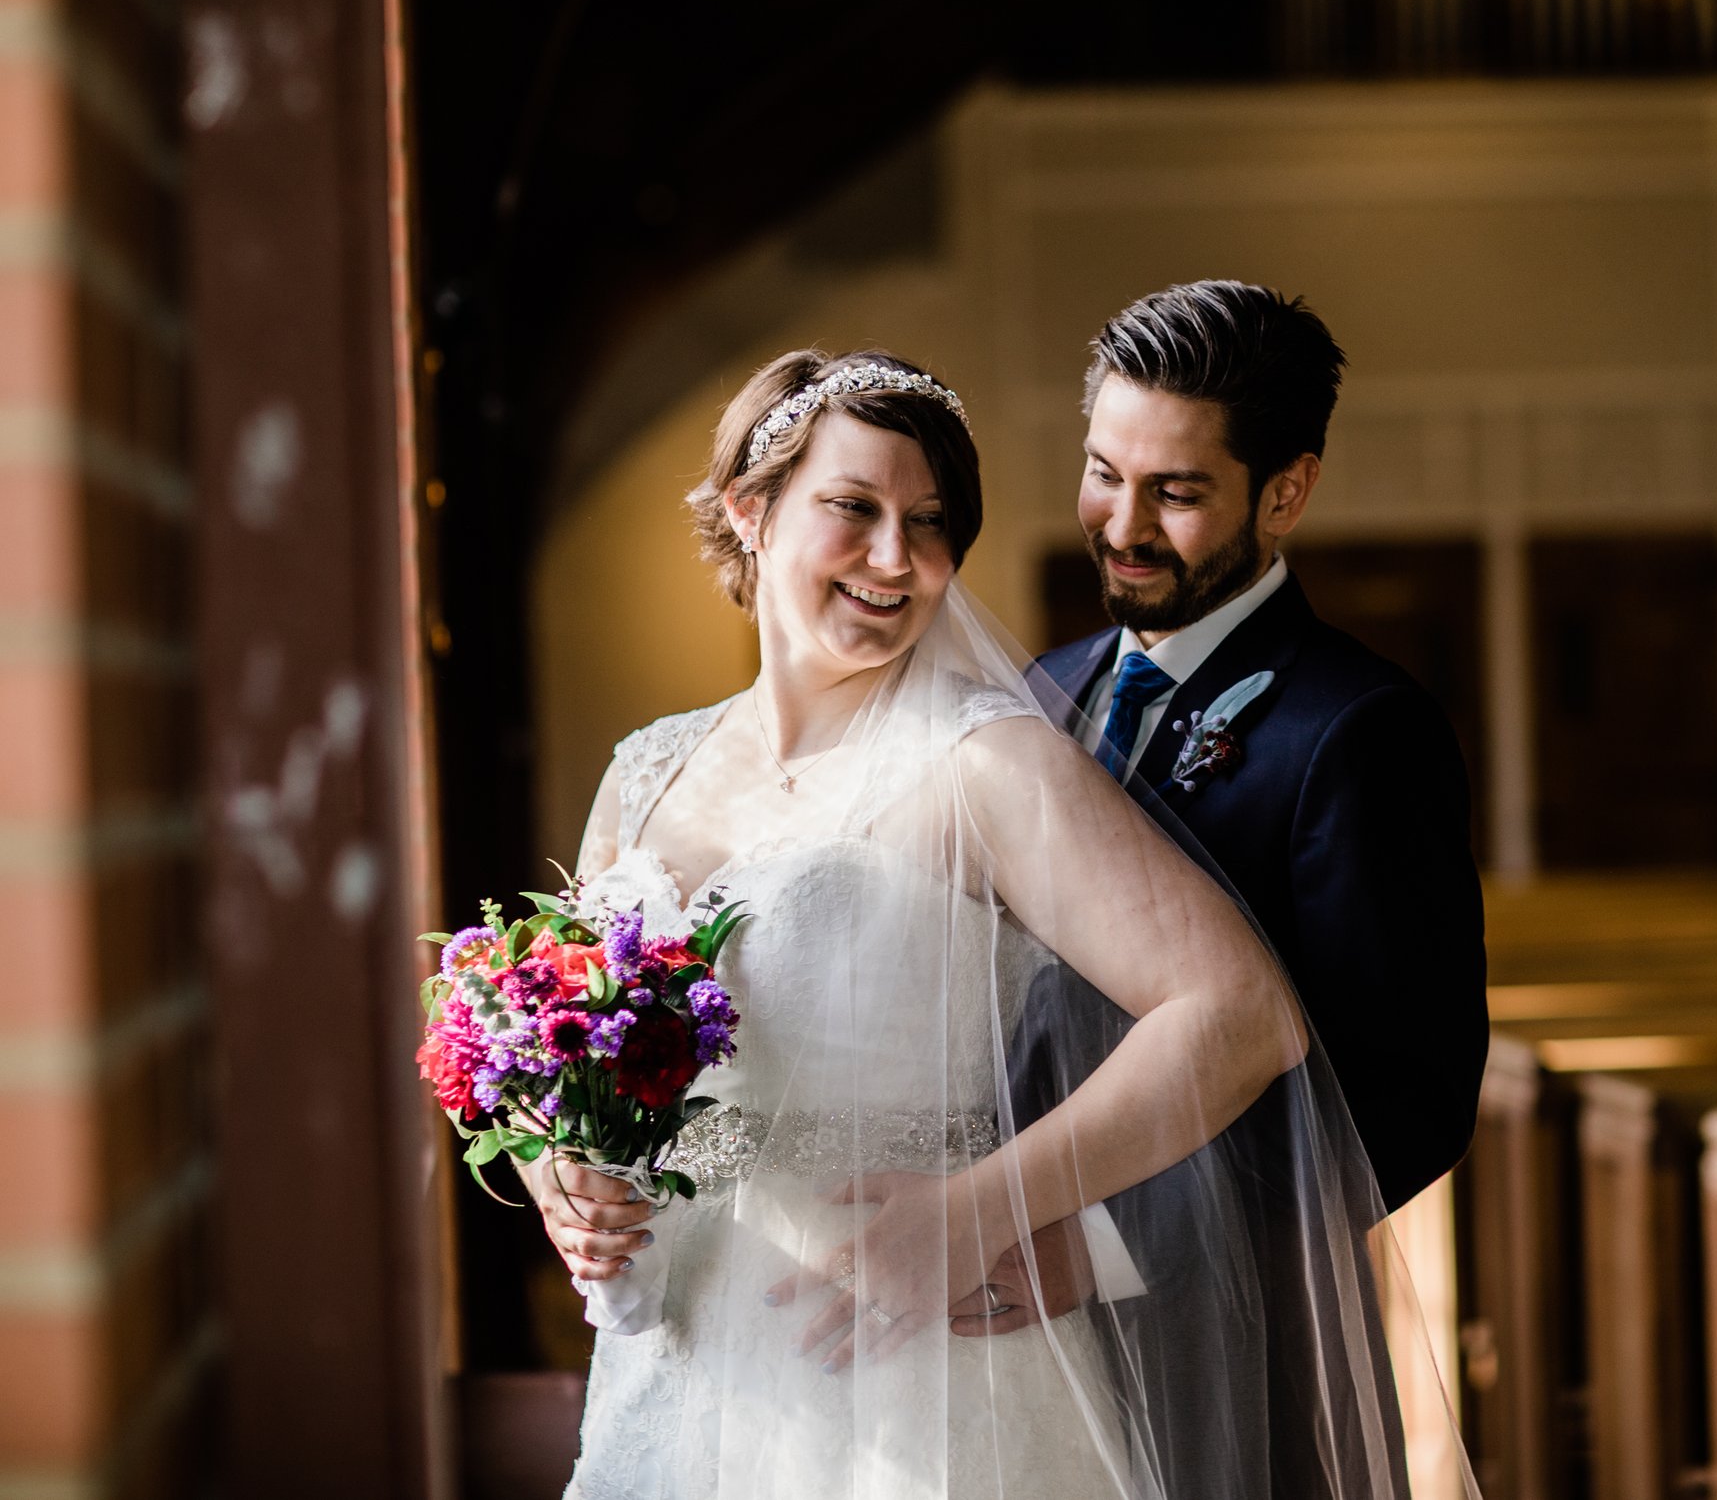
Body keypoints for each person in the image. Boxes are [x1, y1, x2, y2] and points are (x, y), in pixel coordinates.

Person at [522, 347, 1453, 1499]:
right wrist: (569, 1173)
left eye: (929, 522)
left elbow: (1239, 1012)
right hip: (682, 1354)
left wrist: (975, 1214)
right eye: (852, 508)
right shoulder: (644, 770)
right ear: (749, 513)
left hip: (925, 1369)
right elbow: (576, 1057)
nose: (894, 558)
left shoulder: (988, 760)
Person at [1000, 281, 1490, 1493]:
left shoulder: (1361, 728)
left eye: (1174, 492)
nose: (1120, 524)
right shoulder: (1035, 696)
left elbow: (1405, 1094)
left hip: (1232, 1338)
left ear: (1286, 491)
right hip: (994, 1335)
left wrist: (1106, 1245)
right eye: (1103, 471)